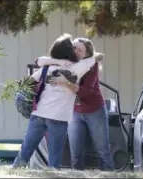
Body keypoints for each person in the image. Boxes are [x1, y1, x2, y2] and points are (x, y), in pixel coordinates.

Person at [12, 34, 103, 169]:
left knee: (26, 150)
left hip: (39, 114)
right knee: (54, 156)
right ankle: (53, 174)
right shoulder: (77, 67)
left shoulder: (46, 68)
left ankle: (15, 171)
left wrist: (54, 62)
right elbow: (98, 57)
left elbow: (28, 81)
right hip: (58, 118)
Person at [36, 37, 115, 171]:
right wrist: (56, 61)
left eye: (80, 50)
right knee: (76, 154)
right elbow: (39, 61)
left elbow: (84, 92)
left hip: (94, 110)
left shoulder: (91, 66)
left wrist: (64, 82)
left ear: (87, 54)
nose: (76, 52)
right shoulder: (67, 61)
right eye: (74, 48)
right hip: (74, 112)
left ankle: (108, 174)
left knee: (103, 150)